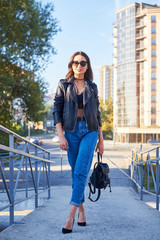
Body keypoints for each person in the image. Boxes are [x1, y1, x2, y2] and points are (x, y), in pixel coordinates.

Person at [53, 51, 104, 234]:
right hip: (71, 132)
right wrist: (61, 136)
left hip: (89, 131)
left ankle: (70, 216)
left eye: (83, 63)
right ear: (71, 64)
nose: (79, 65)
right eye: (76, 62)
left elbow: (97, 115)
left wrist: (101, 140)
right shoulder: (63, 85)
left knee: (81, 172)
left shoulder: (93, 86)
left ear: (87, 65)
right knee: (76, 174)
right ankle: (82, 212)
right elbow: (57, 112)